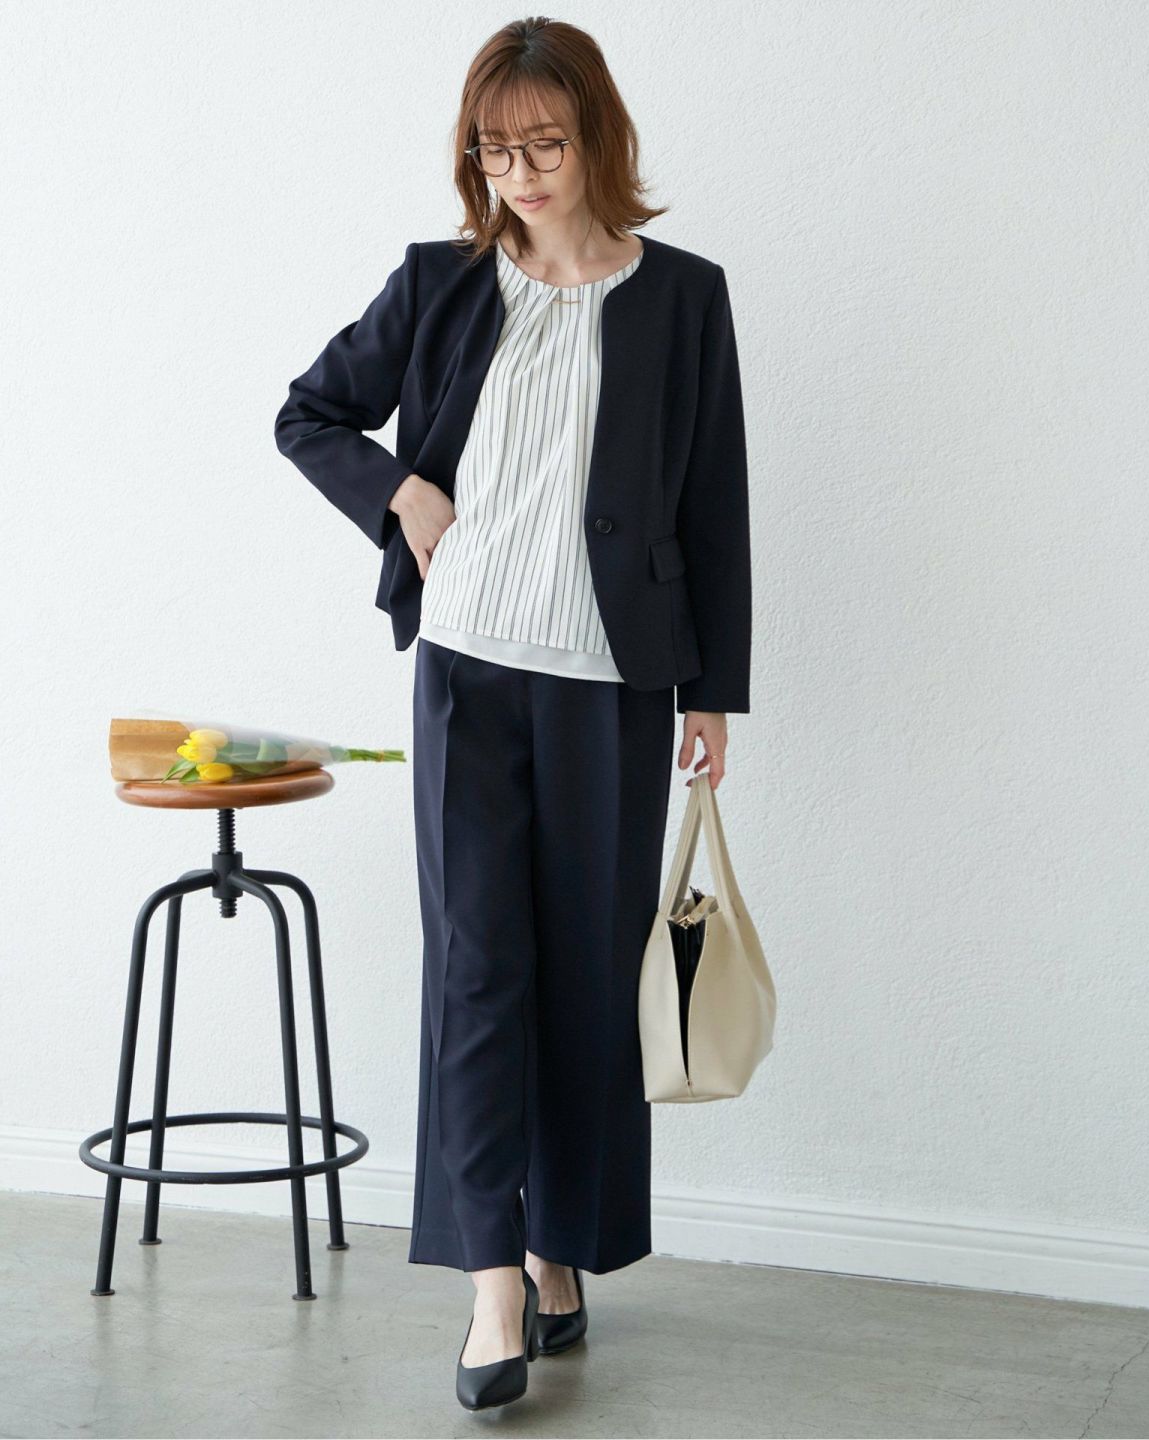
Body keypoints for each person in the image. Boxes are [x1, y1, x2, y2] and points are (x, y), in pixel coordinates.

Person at [274, 16, 751, 1413]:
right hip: (467, 675)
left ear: (597, 137)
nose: (521, 173)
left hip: (615, 685)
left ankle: (562, 1249)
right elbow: (310, 414)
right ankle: (493, 1281)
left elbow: (713, 497)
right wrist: (398, 491)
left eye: (545, 145)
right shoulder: (439, 283)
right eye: (495, 150)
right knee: (478, 972)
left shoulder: (683, 296)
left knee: (591, 979)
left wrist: (716, 689)